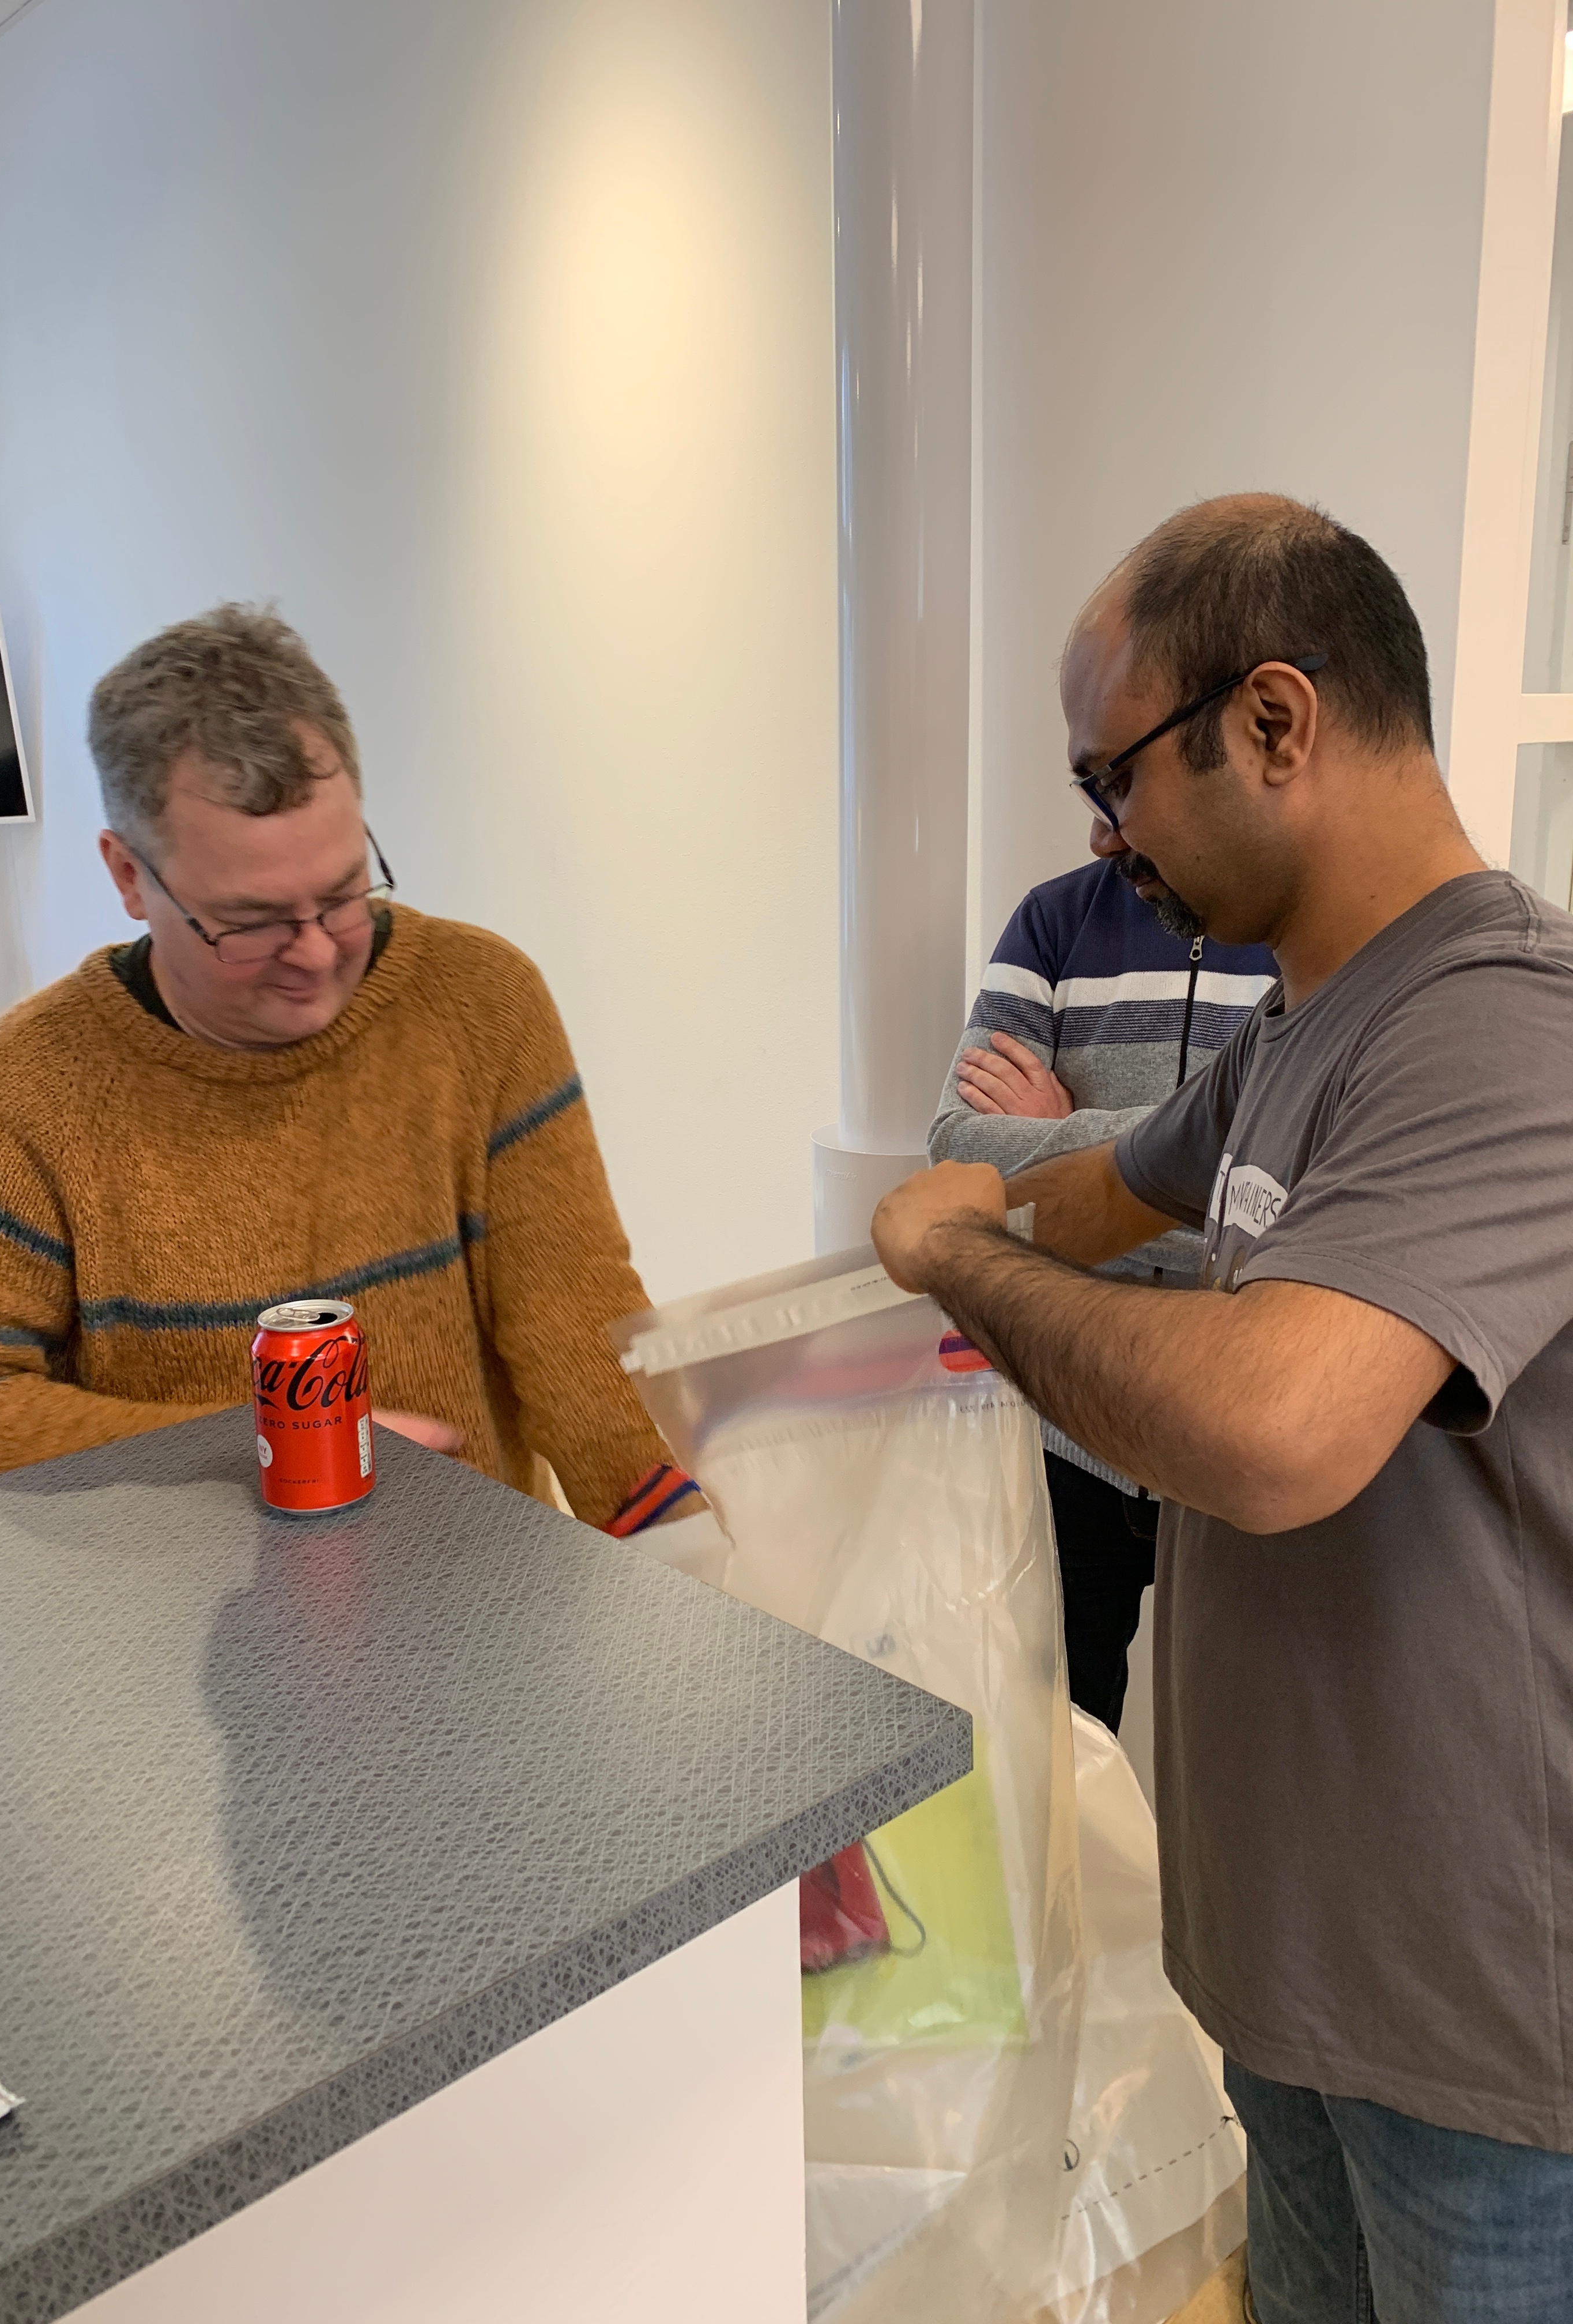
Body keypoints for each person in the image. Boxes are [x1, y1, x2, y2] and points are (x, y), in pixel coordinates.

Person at [872, 495, 1573, 2322]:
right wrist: (967, 1206)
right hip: (1299, 1968)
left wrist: (960, 1263)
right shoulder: (1295, 1031)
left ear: (1274, 722)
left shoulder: (1506, 1026)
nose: (1104, 839)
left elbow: (1273, 1433)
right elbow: (1100, 1195)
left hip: (1481, 2027)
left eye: (1113, 780)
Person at [0, 604, 695, 1537]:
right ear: (129, 876)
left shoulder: (480, 1002)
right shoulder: (32, 1085)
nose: (315, 954)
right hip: (168, 1614)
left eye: (343, 895)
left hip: (479, 1588)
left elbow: (576, 1327)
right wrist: (262, 1446)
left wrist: (681, 1536)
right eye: (251, 922)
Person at [930, 827, 1273, 1731]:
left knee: (1236, 1758)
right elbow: (958, 1157)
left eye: (1118, 778)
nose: (1103, 826)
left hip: (1233, 1431)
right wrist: (1191, 1167)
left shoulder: (1299, 931)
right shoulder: (1053, 920)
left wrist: (1073, 1142)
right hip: (1067, 1433)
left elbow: (1304, 1195)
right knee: (1053, 1751)